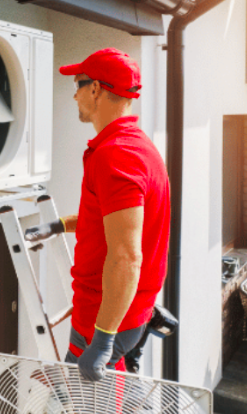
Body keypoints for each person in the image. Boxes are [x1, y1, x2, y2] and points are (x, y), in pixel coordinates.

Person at [26, 48, 170, 381]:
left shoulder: (116, 156)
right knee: (88, 394)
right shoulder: (134, 146)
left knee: (87, 403)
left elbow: (126, 257)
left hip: (104, 316)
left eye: (78, 84)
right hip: (121, 312)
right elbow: (114, 221)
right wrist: (59, 225)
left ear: (95, 89)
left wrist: (103, 340)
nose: (74, 94)